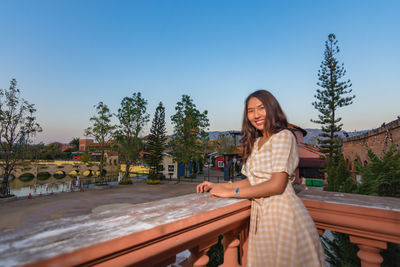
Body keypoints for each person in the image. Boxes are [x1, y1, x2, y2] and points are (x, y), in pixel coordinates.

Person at [197, 90, 325, 267]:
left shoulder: (284, 137)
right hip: (263, 219)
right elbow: (252, 180)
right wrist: (218, 186)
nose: (255, 115)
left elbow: (277, 185)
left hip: (283, 217)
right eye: (250, 110)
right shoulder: (257, 143)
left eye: (261, 108)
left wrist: (232, 193)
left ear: (272, 109)